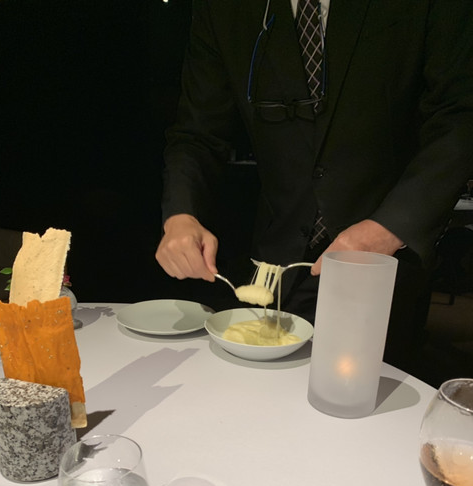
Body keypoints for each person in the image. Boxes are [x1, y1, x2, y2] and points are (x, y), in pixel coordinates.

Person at [156, 0, 473, 371]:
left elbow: (460, 116)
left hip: (386, 253)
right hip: (278, 253)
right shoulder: (222, 9)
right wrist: (180, 214)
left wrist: (392, 226)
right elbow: (196, 133)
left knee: (367, 389)